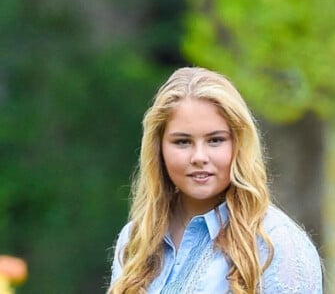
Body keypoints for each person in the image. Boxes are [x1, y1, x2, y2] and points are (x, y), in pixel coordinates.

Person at [108, 66, 323, 293]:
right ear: (158, 148)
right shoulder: (135, 241)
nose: (199, 157)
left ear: (238, 144)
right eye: (182, 142)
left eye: (215, 140)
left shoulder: (277, 243)